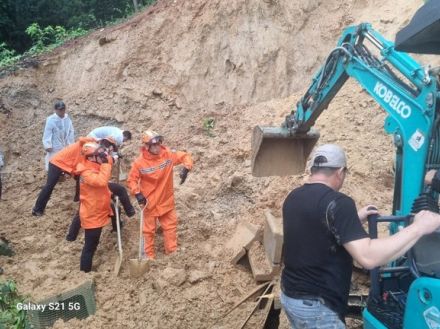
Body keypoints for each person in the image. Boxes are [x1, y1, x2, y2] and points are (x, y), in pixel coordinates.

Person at [281, 144, 440, 328]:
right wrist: (419, 227)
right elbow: (368, 257)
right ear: (340, 172)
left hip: (291, 298)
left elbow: (314, 232)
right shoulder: (338, 203)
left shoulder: (293, 197)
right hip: (317, 309)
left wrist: (354, 220)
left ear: (313, 170)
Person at [127, 130, 193, 259]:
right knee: (148, 231)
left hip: (166, 200)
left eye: (158, 144)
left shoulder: (167, 154)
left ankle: (172, 253)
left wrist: (186, 168)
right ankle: (148, 257)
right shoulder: (139, 163)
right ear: (147, 146)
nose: (157, 147)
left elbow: (185, 156)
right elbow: (131, 180)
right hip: (149, 203)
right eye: (154, 145)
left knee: (170, 227)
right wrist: (137, 193)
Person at [32, 136, 135, 218]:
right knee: (49, 186)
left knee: (80, 179)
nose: (110, 150)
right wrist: (94, 140)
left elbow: (106, 161)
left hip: (72, 166)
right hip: (58, 162)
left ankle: (78, 197)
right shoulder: (90, 144)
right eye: (112, 148)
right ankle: (37, 209)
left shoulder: (98, 151)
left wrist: (115, 157)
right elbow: (81, 140)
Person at [75, 142, 113, 272]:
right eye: (99, 155)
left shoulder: (94, 167)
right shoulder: (86, 173)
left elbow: (105, 168)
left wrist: (109, 158)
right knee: (90, 246)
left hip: (99, 210)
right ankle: (84, 272)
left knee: (93, 244)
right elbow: (101, 181)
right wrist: (106, 163)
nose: (101, 157)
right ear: (91, 157)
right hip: (92, 215)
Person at [42, 101, 75, 171]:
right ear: (56, 110)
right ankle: (51, 172)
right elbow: (47, 132)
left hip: (64, 143)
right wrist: (47, 145)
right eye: (60, 109)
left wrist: (71, 144)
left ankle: (62, 173)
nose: (62, 111)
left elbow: (71, 131)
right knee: (53, 159)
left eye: (63, 109)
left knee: (64, 158)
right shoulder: (51, 120)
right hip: (55, 145)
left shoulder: (67, 119)